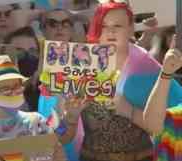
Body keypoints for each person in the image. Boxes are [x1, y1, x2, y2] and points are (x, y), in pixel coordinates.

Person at [56, 1, 182, 161]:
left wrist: (128, 110)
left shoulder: (149, 71)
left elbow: (161, 127)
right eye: (104, 26)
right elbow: (59, 135)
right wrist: (70, 118)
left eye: (118, 25)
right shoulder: (78, 68)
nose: (111, 31)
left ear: (131, 30)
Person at [0, 55, 80, 161]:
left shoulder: (35, 121)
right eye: (5, 89)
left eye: (17, 86)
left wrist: (72, 116)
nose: (13, 92)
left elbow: (62, 138)